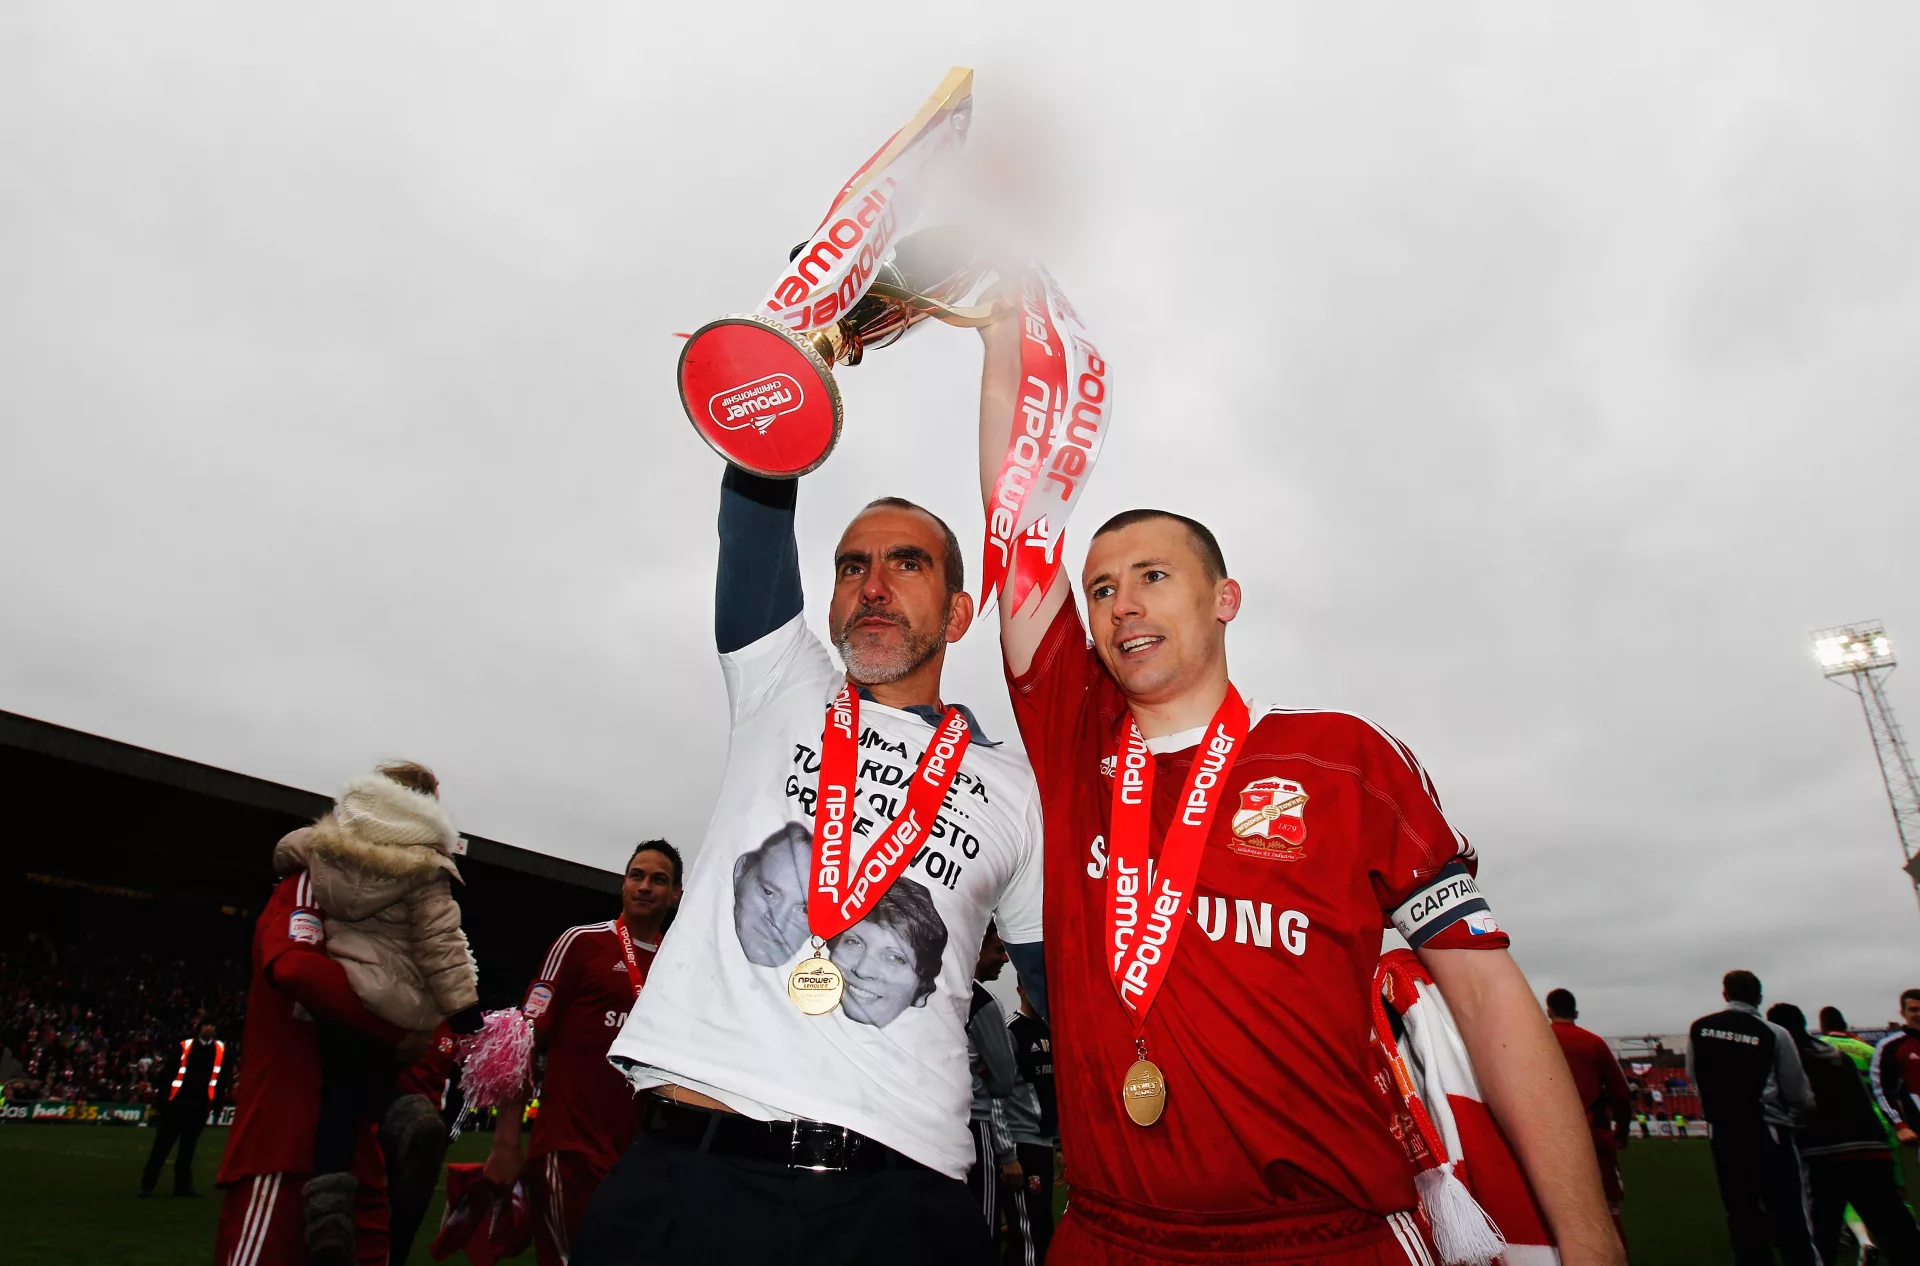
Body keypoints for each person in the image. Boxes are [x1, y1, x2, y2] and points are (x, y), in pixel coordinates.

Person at [974, 317, 1622, 1264]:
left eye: (1153, 576)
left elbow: (1485, 996)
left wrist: (1590, 1239)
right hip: (1111, 1234)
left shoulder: (1343, 758)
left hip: (1322, 1238)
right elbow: (1020, 514)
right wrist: (1005, 328)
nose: (1122, 606)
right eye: (1103, 588)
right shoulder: (1077, 748)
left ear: (1223, 598)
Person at [575, 465, 1047, 1266]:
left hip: (897, 1200)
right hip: (691, 1176)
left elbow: (1058, 991)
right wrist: (804, 360)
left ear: (960, 612)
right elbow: (754, 503)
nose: (871, 586)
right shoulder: (782, 683)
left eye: (906, 563)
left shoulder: (1017, 790)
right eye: (851, 566)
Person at [271, 761, 484, 1260]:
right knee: (370, 1085)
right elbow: (441, 944)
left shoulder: (327, 843)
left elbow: (284, 851)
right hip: (397, 1004)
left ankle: (328, 1216)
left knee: (338, 1098)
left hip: (345, 992)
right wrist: (466, 1014)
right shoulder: (427, 865)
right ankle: (407, 1118)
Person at [482, 841, 683, 1266]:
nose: (645, 886)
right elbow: (520, 1041)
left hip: (641, 1158)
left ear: (677, 893)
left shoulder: (679, 964)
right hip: (569, 1149)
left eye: (658, 879)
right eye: (636, 875)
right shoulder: (581, 942)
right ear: (624, 884)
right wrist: (504, 1144)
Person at [215, 868, 409, 1266]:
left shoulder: (400, 910)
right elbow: (295, 968)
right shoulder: (314, 883)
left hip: (361, 1158)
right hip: (285, 1144)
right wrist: (396, 1021)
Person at [1768, 1002, 1920, 1265]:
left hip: (1822, 1151)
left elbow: (1799, 1101)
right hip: (1872, 1139)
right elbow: (1879, 1086)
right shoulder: (1851, 1051)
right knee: (1895, 1223)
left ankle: (1860, 1242)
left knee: (1819, 1232)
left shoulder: (1785, 1055)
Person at [1687, 970, 1818, 1266]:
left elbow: (1694, 1077)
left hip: (1722, 1134)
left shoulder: (1700, 1029)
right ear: (1759, 996)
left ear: (1725, 995)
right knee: (1789, 1215)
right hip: (1767, 1132)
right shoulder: (1773, 1032)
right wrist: (1795, 1117)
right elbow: (1798, 1094)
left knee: (1741, 1215)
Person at [1546, 989, 1632, 1255]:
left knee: (1551, 1206)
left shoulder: (1538, 1039)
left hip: (1548, 1135)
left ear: (1549, 1011)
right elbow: (1621, 1093)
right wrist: (1622, 1132)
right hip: (1592, 1132)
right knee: (1608, 1208)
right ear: (1576, 1012)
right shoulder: (1593, 1043)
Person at [382, 1022, 460, 1266]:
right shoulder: (400, 1004)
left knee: (405, 1216)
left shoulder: (457, 1027)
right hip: (384, 1114)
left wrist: (448, 1131)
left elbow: (462, 1084)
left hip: (427, 1129)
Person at [967, 924, 1022, 1240]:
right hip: (975, 1126)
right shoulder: (982, 1001)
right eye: (998, 950)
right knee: (981, 1230)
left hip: (929, 1125)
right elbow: (1004, 1078)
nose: (1004, 959)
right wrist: (984, 1070)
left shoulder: (932, 989)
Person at [1004, 982, 1058, 1266]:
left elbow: (1054, 1092)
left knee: (1043, 1224)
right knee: (1028, 1231)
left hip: (1044, 1144)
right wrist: (1007, 1154)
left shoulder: (1050, 1030)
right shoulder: (1011, 1030)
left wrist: (1059, 1144)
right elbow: (997, 1094)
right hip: (1022, 1147)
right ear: (1021, 989)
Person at [138, 1020, 224, 1197]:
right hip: (176, 1104)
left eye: (212, 1026)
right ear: (199, 1029)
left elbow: (221, 1080)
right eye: (206, 1025)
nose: (209, 1028)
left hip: (198, 1106)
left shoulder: (220, 1050)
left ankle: (182, 1186)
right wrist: (162, 1100)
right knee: (162, 1146)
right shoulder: (184, 1047)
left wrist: (216, 1103)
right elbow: (168, 1074)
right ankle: (148, 1184)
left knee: (187, 1149)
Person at [1872, 989, 1920, 1155]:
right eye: (1913, 1010)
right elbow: (1882, 1089)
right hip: (1914, 1132)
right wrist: (1899, 1125)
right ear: (1903, 1013)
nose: (1919, 1014)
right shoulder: (1890, 1046)